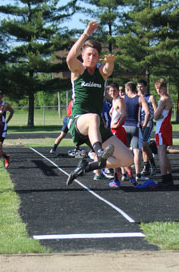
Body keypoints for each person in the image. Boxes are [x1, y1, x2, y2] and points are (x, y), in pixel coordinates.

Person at [65, 20, 133, 185]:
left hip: (96, 127)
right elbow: (69, 59)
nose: (91, 57)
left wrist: (110, 61)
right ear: (83, 55)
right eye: (88, 54)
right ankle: (99, 151)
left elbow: (108, 70)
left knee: (128, 159)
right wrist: (86, 33)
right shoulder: (79, 70)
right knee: (94, 117)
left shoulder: (100, 74)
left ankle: (87, 166)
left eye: (95, 55)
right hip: (78, 122)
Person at [107, 82, 135, 187]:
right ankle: (128, 178)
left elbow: (124, 115)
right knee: (119, 154)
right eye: (111, 91)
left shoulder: (119, 100)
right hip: (116, 130)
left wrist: (116, 125)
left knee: (116, 155)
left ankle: (119, 179)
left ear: (118, 91)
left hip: (117, 130)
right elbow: (115, 111)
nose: (112, 93)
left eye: (114, 91)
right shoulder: (115, 100)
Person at [123, 81, 150, 182]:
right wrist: (144, 124)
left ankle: (124, 173)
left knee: (124, 150)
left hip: (124, 126)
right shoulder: (140, 98)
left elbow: (114, 111)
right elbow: (147, 112)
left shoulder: (123, 98)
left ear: (128, 89)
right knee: (136, 151)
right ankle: (138, 174)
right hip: (135, 126)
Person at [154, 78, 173, 187]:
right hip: (165, 126)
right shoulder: (166, 98)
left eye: (160, 88)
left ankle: (164, 178)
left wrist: (156, 112)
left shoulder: (163, 99)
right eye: (157, 88)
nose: (158, 90)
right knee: (163, 153)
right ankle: (168, 177)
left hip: (162, 127)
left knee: (161, 153)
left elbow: (156, 116)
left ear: (164, 87)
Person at [137, 79, 157, 176]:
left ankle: (152, 165)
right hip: (139, 123)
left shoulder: (150, 97)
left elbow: (155, 109)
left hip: (148, 122)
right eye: (138, 87)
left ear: (145, 87)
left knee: (144, 144)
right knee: (142, 147)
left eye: (141, 86)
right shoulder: (136, 97)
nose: (140, 88)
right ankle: (146, 166)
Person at [0, 90, 14, 168]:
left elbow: (12, 112)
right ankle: (6, 157)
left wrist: (7, 121)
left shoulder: (5, 105)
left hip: (2, 128)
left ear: (2, 97)